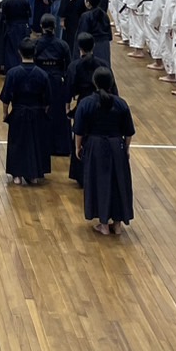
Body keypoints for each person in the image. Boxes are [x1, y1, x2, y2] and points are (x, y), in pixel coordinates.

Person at [72, 67, 135, 235]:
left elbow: (78, 130)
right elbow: (129, 131)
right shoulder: (121, 103)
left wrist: (78, 147)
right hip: (117, 145)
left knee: (99, 182)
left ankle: (103, 224)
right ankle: (118, 224)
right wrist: (125, 149)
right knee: (118, 183)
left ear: (94, 82)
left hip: (95, 146)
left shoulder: (87, 103)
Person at [0, 39, 50, 186]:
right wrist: (42, 112)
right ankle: (33, 174)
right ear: (35, 53)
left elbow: (6, 97)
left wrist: (5, 113)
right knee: (35, 143)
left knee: (17, 143)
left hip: (18, 112)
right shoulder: (42, 74)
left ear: (19, 53)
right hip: (37, 112)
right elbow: (47, 100)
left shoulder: (13, 73)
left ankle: (17, 175)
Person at [32, 14, 72, 155]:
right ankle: (60, 147)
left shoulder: (35, 44)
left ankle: (40, 145)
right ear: (54, 27)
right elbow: (68, 67)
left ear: (41, 26)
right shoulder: (62, 45)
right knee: (58, 114)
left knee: (41, 112)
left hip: (39, 81)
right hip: (57, 82)